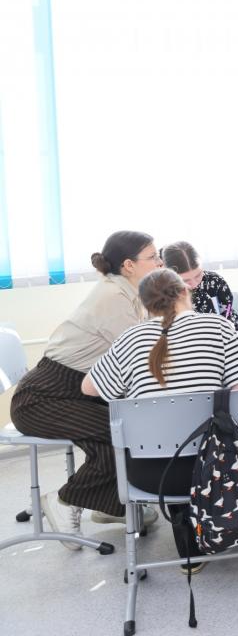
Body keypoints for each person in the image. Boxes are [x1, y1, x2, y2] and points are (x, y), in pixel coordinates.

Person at [82, 268, 238, 571]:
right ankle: (228, 520)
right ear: (185, 291)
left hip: (150, 475)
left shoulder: (129, 338)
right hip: (215, 468)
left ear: (144, 305)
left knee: (174, 444)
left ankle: (190, 546)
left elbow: (89, 388)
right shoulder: (218, 327)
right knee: (231, 428)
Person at [8, 231, 162, 545]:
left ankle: (109, 504)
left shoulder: (129, 293)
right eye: (153, 257)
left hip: (77, 392)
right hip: (41, 399)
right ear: (129, 265)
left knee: (123, 430)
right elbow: (141, 357)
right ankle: (65, 501)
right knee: (122, 431)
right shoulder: (113, 298)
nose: (160, 262)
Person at [159, 241, 238, 329]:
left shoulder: (215, 281)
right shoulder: (160, 291)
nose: (194, 284)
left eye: (198, 275)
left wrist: (228, 326)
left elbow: (228, 312)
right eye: (185, 280)